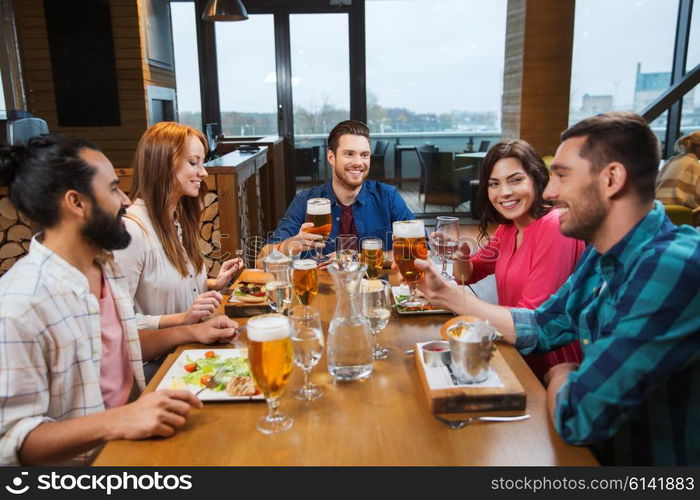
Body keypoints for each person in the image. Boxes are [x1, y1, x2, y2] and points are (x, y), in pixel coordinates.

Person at [405, 112, 700, 465]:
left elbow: (579, 416)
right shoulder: (603, 251)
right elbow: (543, 325)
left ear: (612, 179)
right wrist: (442, 292)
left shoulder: (671, 266)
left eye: (561, 175)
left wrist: (562, 373)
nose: (550, 191)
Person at [0, 135, 230, 465]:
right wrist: (118, 420)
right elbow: (10, 442)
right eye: (112, 189)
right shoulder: (20, 304)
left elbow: (123, 341)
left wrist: (190, 332)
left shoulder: (103, 266)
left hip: (137, 436)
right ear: (76, 203)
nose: (125, 200)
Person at [451, 140, 585, 382]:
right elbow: (468, 274)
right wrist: (461, 255)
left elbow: (531, 318)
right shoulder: (508, 229)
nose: (504, 193)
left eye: (515, 180)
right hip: (513, 349)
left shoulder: (555, 227)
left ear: (536, 179)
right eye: (494, 184)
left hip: (551, 366)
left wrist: (450, 298)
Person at [114, 122, 242, 344]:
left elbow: (165, 287)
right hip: (157, 363)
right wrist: (183, 319)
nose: (203, 172)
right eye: (193, 163)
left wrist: (213, 283)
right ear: (162, 165)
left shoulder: (178, 219)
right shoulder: (131, 231)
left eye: (202, 163)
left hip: (188, 346)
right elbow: (116, 324)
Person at [256, 120, 415, 264]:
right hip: (319, 292)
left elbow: (421, 252)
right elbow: (261, 260)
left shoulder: (388, 197)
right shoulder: (305, 201)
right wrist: (289, 245)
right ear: (331, 157)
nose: (358, 163)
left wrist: (361, 258)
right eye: (349, 154)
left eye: (364, 155)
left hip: (373, 290)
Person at [655, 130, 700, 225]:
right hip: (680, 213)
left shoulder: (671, 161)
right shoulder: (693, 165)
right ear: (698, 148)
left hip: (659, 211)